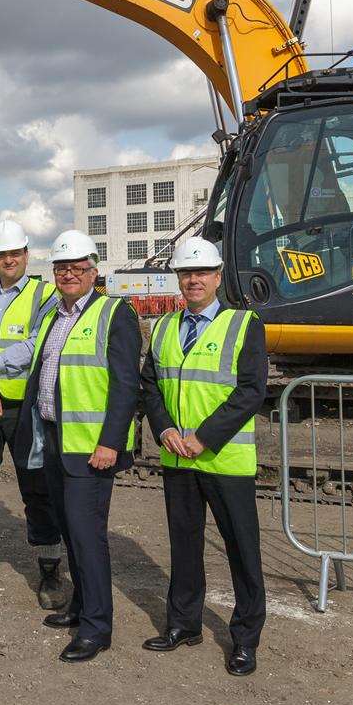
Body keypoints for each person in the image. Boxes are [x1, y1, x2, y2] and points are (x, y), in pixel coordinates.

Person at [140, 236, 268, 677]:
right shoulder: (161, 328)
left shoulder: (243, 325)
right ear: (178, 279)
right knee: (185, 547)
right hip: (178, 460)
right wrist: (166, 430)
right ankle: (183, 624)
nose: (193, 280)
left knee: (242, 552)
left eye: (201, 273)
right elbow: (151, 386)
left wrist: (205, 437)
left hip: (224, 461)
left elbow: (251, 391)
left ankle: (245, 640)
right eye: (185, 273)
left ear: (217, 277)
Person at [14, 229, 140, 663]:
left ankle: (97, 628)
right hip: (54, 440)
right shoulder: (54, 315)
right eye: (62, 268)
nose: (69, 274)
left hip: (90, 449)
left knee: (87, 537)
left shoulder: (114, 314)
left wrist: (110, 442)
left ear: (93, 271)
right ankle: (82, 607)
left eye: (77, 267)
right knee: (70, 532)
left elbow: (126, 385)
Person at [0, 218, 67, 610]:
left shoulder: (45, 294)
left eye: (14, 253)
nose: (8, 260)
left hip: (26, 408)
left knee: (37, 487)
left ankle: (50, 566)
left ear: (26, 254)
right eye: (1, 254)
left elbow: (35, 346)